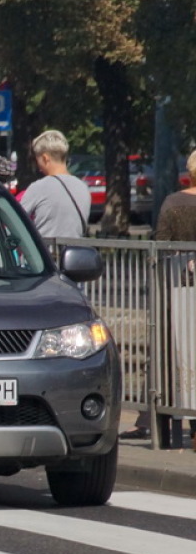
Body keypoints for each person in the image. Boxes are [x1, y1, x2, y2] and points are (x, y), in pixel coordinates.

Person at [121, 148, 196, 444]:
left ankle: (163, 426)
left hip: (178, 291)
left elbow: (160, 243)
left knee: (174, 355)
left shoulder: (173, 203)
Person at [21, 130, 91, 239]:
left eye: (37, 159)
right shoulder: (83, 187)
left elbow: (14, 219)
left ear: (45, 158)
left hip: (45, 254)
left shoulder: (39, 188)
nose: (38, 166)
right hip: (74, 254)